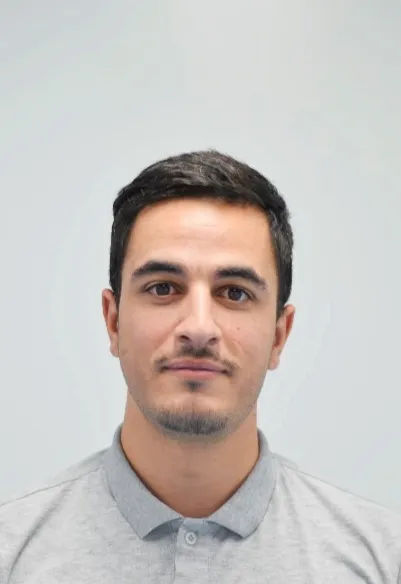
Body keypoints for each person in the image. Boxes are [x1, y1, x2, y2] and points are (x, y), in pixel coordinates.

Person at [0, 150, 400, 584]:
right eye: (163, 288)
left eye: (235, 293)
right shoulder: (12, 554)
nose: (198, 328)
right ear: (113, 322)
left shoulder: (381, 560)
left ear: (279, 336)